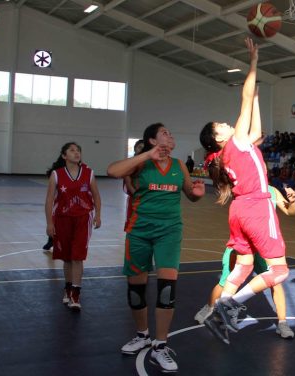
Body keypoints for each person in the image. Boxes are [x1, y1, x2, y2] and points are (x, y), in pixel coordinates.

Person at [199, 38, 290, 345]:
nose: (226, 123)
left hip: (238, 211)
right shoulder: (234, 144)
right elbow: (245, 97)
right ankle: (231, 305)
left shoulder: (230, 152)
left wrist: (258, 98)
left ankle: (219, 310)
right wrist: (253, 63)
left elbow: (258, 132)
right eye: (220, 125)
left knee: (246, 265)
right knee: (279, 271)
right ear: (218, 137)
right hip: (256, 207)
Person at [107, 123, 205, 373]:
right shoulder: (141, 163)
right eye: (164, 132)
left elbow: (190, 194)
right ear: (152, 140)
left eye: (171, 132)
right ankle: (142, 335)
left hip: (169, 232)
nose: (170, 135)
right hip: (139, 231)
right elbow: (112, 171)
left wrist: (196, 193)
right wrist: (145, 155)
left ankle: (160, 346)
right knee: (136, 290)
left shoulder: (179, 165)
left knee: (166, 289)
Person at [194, 184, 295, 339]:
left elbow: (290, 211)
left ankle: (282, 323)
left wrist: (292, 201)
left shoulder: (273, 191)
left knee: (275, 282)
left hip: (263, 246)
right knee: (225, 281)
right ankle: (209, 308)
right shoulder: (244, 187)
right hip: (243, 244)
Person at [44, 142, 101, 311]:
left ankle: (76, 293)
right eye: (72, 150)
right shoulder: (56, 174)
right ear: (64, 156)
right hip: (62, 218)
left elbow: (96, 196)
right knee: (67, 257)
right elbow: (49, 200)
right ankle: (68, 288)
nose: (76, 153)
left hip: (83, 217)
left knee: (77, 256)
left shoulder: (89, 173)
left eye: (78, 150)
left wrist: (98, 215)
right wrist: (49, 222)